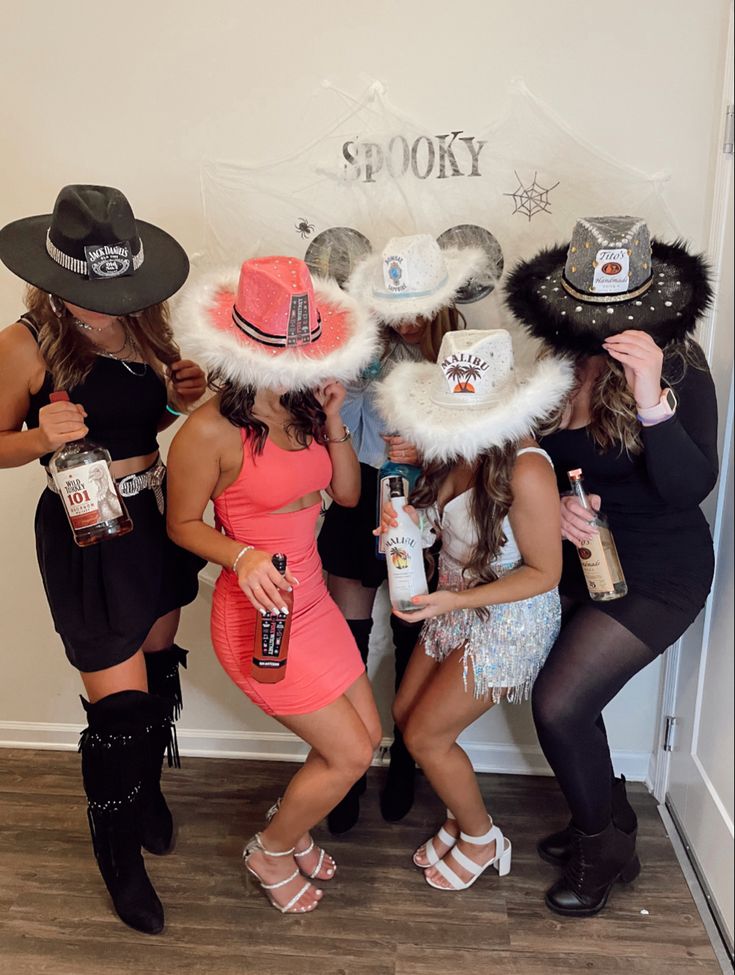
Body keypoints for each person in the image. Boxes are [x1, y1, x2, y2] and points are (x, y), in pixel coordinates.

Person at [0, 185, 206, 934]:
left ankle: (146, 790)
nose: (110, 300)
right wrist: (37, 437)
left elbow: (139, 421)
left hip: (154, 517)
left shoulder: (146, 322)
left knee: (154, 668)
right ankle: (118, 852)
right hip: (89, 533)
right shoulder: (24, 341)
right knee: (117, 711)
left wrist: (179, 398)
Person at [505, 215, 718, 917]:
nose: (604, 320)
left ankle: (604, 848)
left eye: (619, 306)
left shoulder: (680, 363)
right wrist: (562, 514)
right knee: (573, 701)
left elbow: (689, 486)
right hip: (587, 559)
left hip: (661, 568)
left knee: (558, 704)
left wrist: (652, 394)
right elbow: (542, 464)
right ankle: (606, 817)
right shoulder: (559, 366)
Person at [166, 255, 382, 914]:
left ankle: (291, 829)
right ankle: (270, 846)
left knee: (363, 742)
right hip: (260, 613)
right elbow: (180, 524)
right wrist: (241, 555)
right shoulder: (206, 429)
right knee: (346, 755)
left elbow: (346, 495)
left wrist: (337, 419)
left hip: (313, 599)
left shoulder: (309, 406)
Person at [374, 327, 573, 891]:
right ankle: (460, 817)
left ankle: (483, 838)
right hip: (453, 603)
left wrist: (455, 598)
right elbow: (444, 532)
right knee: (408, 717)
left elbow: (545, 573)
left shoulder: (528, 467)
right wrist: (405, 531)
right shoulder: (453, 449)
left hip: (509, 619)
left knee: (427, 739)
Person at [318, 233, 487, 831]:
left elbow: (485, 439)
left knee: (417, 635)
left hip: (432, 501)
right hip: (360, 494)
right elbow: (331, 416)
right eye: (397, 307)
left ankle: (407, 761)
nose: (410, 319)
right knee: (348, 637)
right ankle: (344, 763)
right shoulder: (361, 341)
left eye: (421, 305)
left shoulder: (465, 349)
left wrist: (430, 448)